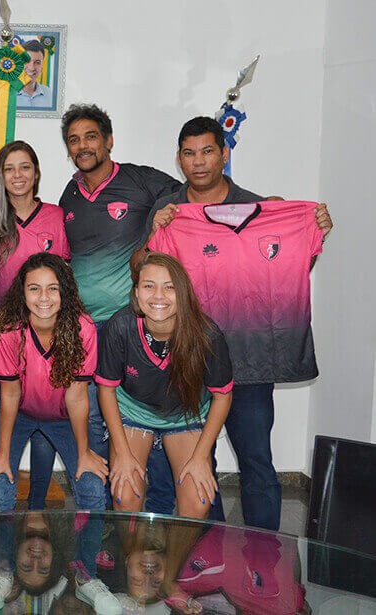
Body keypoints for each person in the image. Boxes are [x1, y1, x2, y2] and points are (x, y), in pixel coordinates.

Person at [145, 116, 334, 531]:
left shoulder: (264, 208)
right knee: (198, 461)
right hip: (191, 360)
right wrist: (153, 236)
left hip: (249, 362)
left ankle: (264, 560)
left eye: (208, 151)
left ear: (224, 153)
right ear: (179, 159)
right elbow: (145, 275)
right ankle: (206, 554)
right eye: (190, 154)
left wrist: (310, 231)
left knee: (256, 460)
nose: (199, 162)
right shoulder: (171, 213)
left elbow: (288, 267)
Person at [58, 103, 185, 517]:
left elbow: (199, 193)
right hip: (85, 329)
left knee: (151, 418)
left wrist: (260, 203)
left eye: (91, 136)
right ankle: (105, 511)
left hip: (132, 327)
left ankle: (161, 514)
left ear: (108, 140)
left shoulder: (143, 180)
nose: (83, 146)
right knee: (96, 417)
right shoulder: (69, 194)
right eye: (74, 140)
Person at [0, 253, 119, 613]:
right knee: (1, 487)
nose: (44, 297)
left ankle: (86, 576)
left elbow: (76, 396)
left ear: (65, 292)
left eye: (52, 289)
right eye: (35, 288)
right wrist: (3, 453)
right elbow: (9, 395)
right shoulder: (9, 331)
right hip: (17, 410)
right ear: (21, 293)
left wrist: (85, 452)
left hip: (60, 415)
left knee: (91, 487)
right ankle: (4, 569)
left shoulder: (82, 327)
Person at [96, 252, 233, 521]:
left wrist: (200, 457)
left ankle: (177, 562)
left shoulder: (207, 333)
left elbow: (222, 396)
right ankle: (129, 559)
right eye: (149, 286)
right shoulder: (120, 326)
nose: (158, 296)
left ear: (183, 293)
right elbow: (106, 389)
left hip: (184, 415)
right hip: (133, 412)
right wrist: (122, 454)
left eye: (169, 287)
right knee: (125, 494)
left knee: (199, 500)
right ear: (136, 292)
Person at [0, 140, 69, 511]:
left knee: (44, 413)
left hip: (46, 336)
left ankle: (35, 506)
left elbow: (64, 276)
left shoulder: (55, 215)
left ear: (36, 172)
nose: (17, 175)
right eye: (9, 168)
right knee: (2, 409)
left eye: (25, 167)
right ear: (0, 176)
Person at [16, 40, 54, 109]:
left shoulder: (50, 94)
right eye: (27, 61)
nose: (32, 68)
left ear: (42, 67)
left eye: (37, 62)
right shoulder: (7, 94)